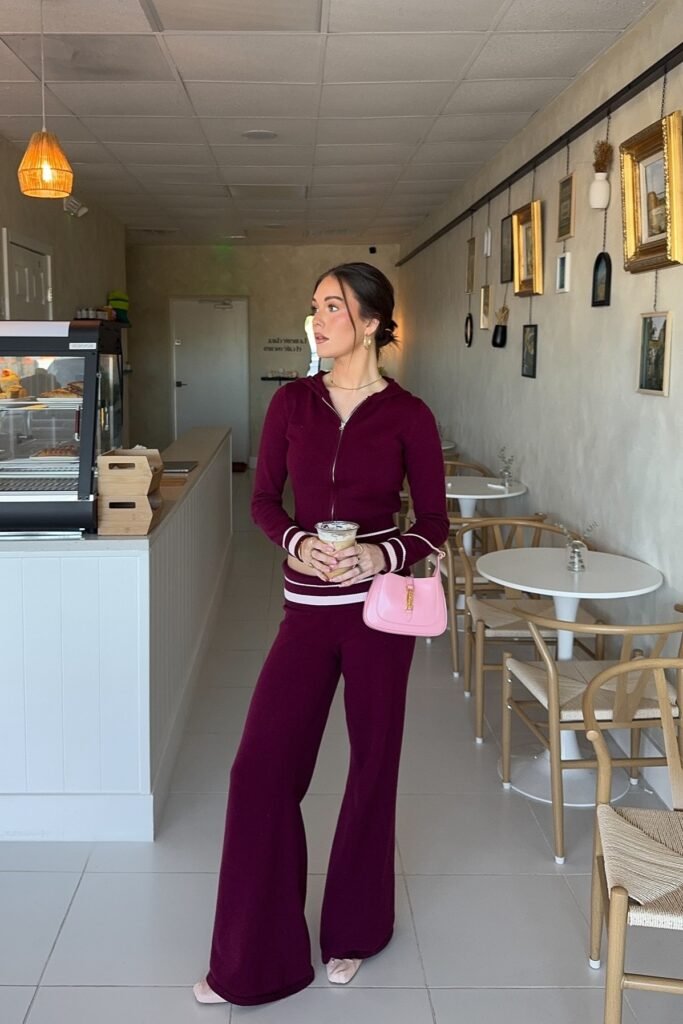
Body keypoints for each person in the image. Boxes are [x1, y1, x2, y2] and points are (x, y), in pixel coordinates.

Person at [194, 262, 449, 1007]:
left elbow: (431, 524)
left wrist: (379, 552)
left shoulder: (409, 415)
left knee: (373, 770)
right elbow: (264, 499)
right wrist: (298, 543)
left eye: (332, 307)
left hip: (377, 619)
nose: (318, 319)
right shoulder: (291, 405)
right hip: (305, 612)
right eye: (314, 307)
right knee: (260, 772)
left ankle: (354, 932)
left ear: (370, 322)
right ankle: (252, 960)